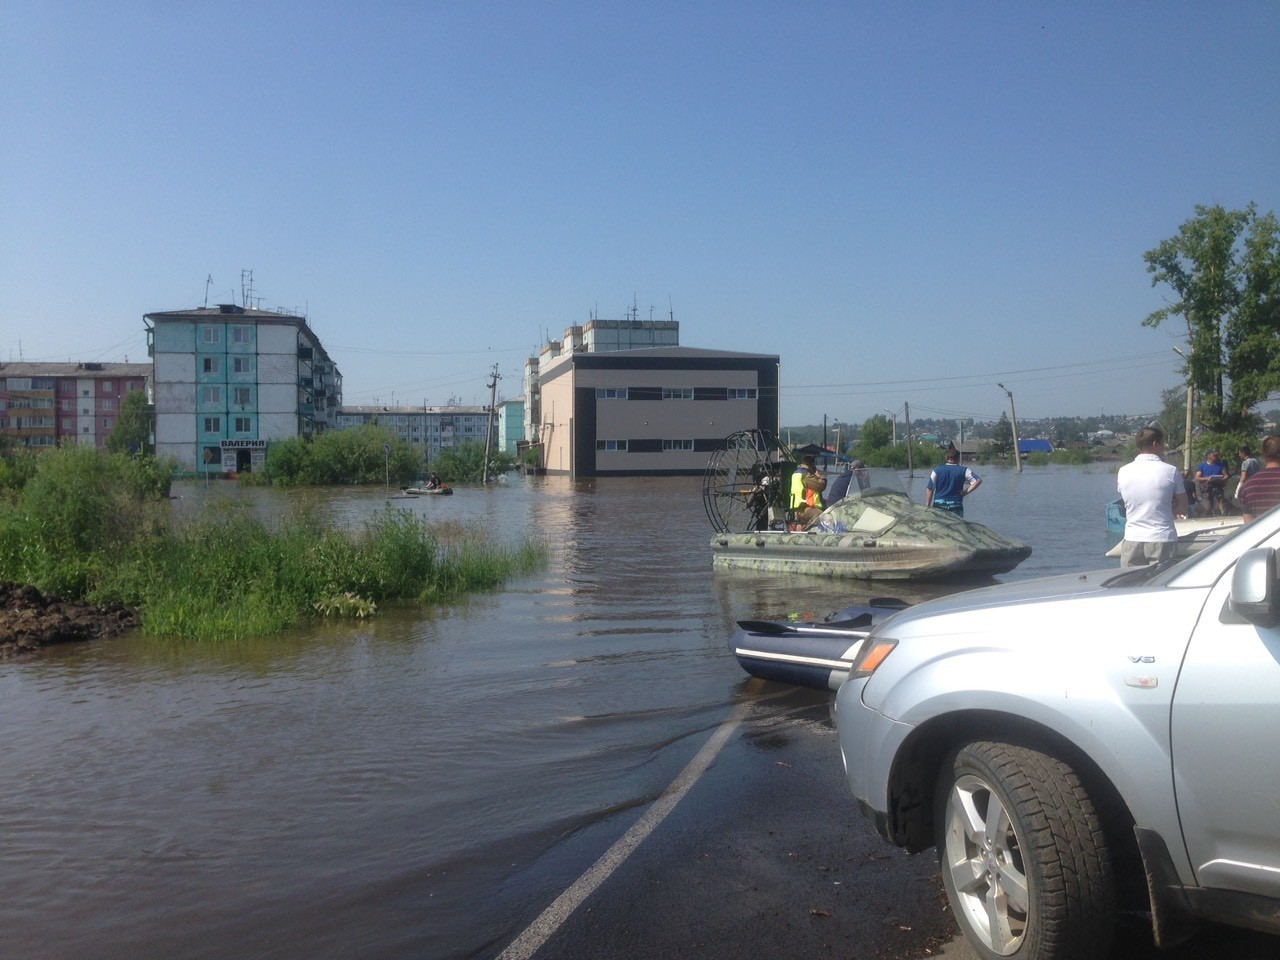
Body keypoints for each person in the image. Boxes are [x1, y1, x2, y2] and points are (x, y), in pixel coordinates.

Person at [1117, 426, 1188, 567]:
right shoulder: (1171, 471)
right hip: (1161, 537)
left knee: (1129, 585)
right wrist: (1170, 510)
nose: (1163, 447)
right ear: (1155, 444)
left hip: (1132, 537)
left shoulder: (1123, 471)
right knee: (1160, 585)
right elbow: (1183, 507)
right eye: (1163, 444)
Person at [925, 448, 980, 516]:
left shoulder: (937, 470)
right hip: (956, 504)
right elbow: (978, 480)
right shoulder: (964, 470)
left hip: (939, 505)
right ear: (958, 458)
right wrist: (964, 493)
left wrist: (927, 506)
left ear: (946, 458)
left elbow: (930, 489)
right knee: (957, 526)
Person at [1237, 436, 1280, 522]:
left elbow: (1249, 525)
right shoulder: (1254, 461)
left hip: (1263, 535)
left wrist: (1238, 487)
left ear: (1264, 454)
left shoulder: (1247, 487)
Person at [789, 454, 826, 527]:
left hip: (799, 509)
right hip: (804, 509)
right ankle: (807, 530)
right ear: (812, 465)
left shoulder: (797, 473)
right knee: (821, 516)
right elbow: (820, 486)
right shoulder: (806, 474)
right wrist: (821, 477)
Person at [1195, 451, 1230, 516]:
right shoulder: (1202, 466)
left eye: (1216, 455)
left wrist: (1222, 479)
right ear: (1208, 456)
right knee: (1206, 509)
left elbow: (1226, 475)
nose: (1215, 456)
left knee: (1218, 509)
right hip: (1206, 491)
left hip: (1218, 490)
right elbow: (1197, 477)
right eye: (1213, 455)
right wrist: (1207, 479)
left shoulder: (1221, 465)